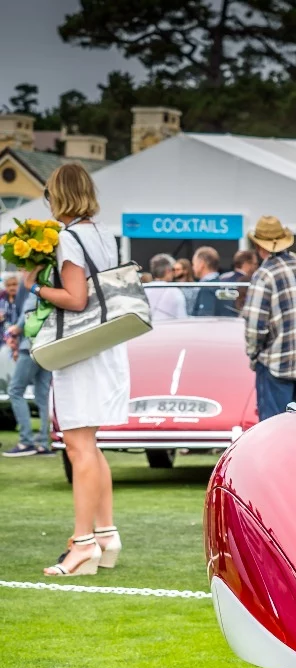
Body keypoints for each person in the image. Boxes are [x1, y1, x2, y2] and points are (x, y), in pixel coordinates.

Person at [24, 163, 129, 575]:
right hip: (105, 346)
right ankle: (104, 533)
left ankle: (84, 543)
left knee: (79, 447)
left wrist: (34, 285)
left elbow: (76, 298)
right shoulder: (105, 234)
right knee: (90, 444)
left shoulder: (69, 238)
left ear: (59, 196)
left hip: (81, 349)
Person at [241, 215, 296, 424]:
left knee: (274, 430)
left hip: (277, 364)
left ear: (259, 246)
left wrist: (254, 355)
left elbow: (255, 326)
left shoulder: (265, 275)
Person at [4, 288, 51, 458]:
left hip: (30, 346)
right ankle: (44, 443)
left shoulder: (34, 289)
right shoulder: (49, 286)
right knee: (43, 394)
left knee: (15, 391)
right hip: (47, 345)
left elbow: (28, 313)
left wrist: (14, 330)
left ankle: (26, 441)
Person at [147, 253, 186, 321]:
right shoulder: (175, 292)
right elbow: (182, 318)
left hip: (149, 330)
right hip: (168, 330)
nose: (174, 273)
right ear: (168, 271)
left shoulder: (144, 290)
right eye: (173, 269)